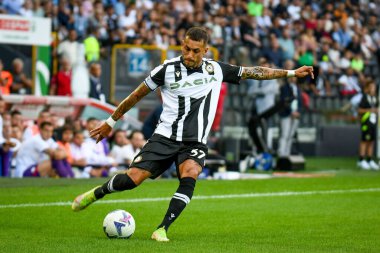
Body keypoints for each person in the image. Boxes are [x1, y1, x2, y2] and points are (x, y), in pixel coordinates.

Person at [71, 27, 313, 242]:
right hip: (164, 137)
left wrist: (291, 73)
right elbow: (136, 95)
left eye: (195, 50)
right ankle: (96, 193)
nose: (189, 54)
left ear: (205, 50)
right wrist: (110, 121)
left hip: (194, 141)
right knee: (133, 179)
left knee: (191, 173)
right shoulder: (166, 70)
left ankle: (162, 229)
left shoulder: (216, 70)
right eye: (186, 48)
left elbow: (254, 72)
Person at [357, 80, 379, 170]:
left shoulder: (375, 98)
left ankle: (369, 160)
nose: (373, 89)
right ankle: (361, 160)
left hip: (373, 122)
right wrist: (370, 110)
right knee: (364, 140)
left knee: (372, 141)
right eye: (371, 87)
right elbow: (359, 110)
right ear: (367, 88)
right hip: (366, 122)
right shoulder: (364, 97)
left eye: (374, 87)